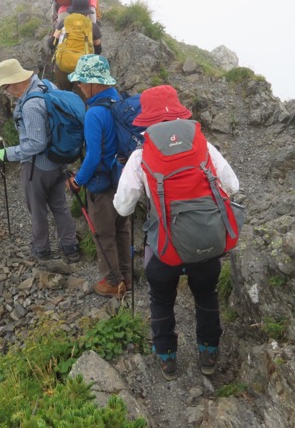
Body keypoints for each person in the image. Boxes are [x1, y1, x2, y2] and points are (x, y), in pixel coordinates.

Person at [113, 85, 239, 381]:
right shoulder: (203, 147)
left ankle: (168, 360)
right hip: (205, 243)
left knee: (161, 299)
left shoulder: (139, 157)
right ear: (178, 114)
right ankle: (208, 354)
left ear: (147, 121)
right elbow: (232, 186)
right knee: (206, 295)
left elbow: (122, 208)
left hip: (164, 248)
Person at [0, 58, 80, 262]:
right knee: (59, 205)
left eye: (6, 86)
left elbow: (36, 144)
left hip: (38, 167)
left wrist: (8, 153)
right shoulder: (47, 85)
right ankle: (70, 247)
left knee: (37, 207)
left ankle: (41, 249)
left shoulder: (31, 105)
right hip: (59, 160)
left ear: (16, 81)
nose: (7, 91)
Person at [66, 55, 132, 297]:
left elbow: (93, 156)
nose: (80, 87)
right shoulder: (119, 99)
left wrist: (78, 181)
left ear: (94, 82)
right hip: (122, 179)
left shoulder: (95, 113)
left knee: (104, 233)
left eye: (82, 82)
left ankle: (114, 282)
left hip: (101, 182)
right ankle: (128, 275)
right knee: (122, 227)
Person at [49, 0, 102, 92]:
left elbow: (51, 44)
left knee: (64, 95)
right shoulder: (93, 26)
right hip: (83, 68)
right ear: (86, 12)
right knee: (82, 97)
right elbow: (98, 49)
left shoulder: (63, 23)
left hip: (62, 66)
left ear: (72, 10)